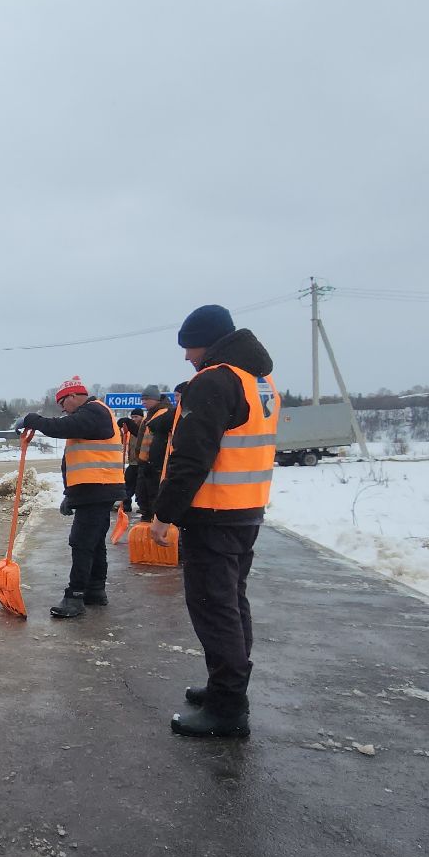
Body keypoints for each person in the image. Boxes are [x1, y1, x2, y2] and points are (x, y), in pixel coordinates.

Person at [147, 306, 277, 739]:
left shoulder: (214, 381)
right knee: (231, 603)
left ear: (209, 342)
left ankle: (227, 708)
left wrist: (165, 514)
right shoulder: (257, 380)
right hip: (245, 510)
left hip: (214, 514)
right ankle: (225, 688)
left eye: (190, 346)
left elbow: (192, 456)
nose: (187, 356)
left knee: (214, 609)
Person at [19, 377, 125, 617]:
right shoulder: (88, 417)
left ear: (74, 396)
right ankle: (95, 591)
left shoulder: (94, 412)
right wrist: (70, 494)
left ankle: (74, 596)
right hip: (94, 489)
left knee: (81, 542)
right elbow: (76, 460)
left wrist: (32, 420)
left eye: (62, 404)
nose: (63, 410)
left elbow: (59, 427)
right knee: (94, 542)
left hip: (98, 487)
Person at [133, 385, 175, 522]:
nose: (143, 402)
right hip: (145, 463)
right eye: (142, 399)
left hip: (155, 464)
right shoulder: (150, 414)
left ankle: (153, 520)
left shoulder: (164, 413)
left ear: (155, 399)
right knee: (142, 494)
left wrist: (154, 461)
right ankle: (147, 518)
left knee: (154, 496)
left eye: (146, 399)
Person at [120, 409, 146, 514]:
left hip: (141, 463)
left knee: (141, 487)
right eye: (132, 417)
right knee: (127, 485)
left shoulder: (144, 428)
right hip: (132, 463)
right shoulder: (130, 431)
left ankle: (143, 506)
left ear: (142, 417)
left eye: (136, 417)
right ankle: (126, 505)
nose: (134, 419)